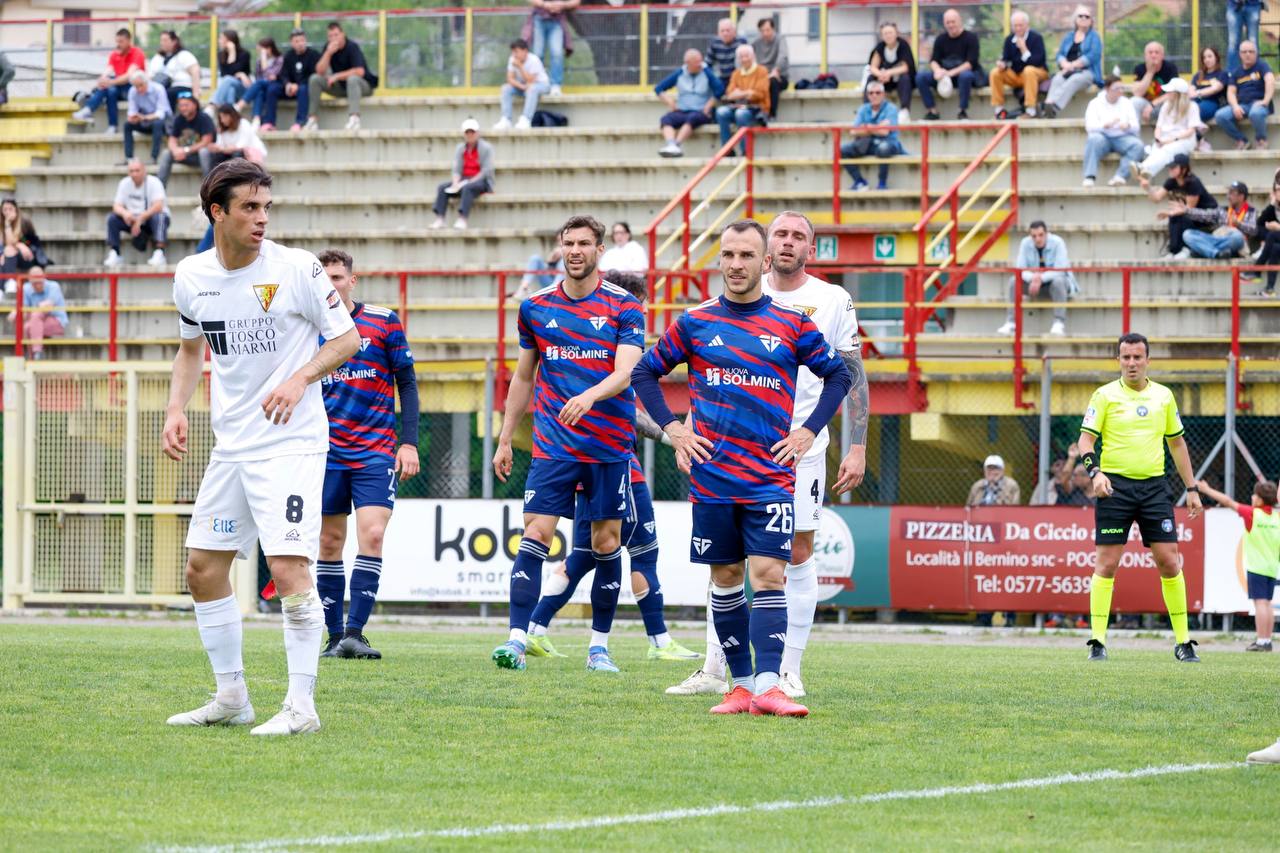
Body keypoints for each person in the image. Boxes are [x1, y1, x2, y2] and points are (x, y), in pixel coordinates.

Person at [162, 159, 360, 735]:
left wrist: (299, 379)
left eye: (266, 207)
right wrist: (176, 408)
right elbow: (191, 350)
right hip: (232, 446)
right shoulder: (191, 276)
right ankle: (231, 697)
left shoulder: (296, 268)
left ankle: (302, 707)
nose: (261, 218)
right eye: (249, 207)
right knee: (203, 569)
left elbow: (347, 339)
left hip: (291, 443)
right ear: (216, 212)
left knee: (289, 567)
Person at [633, 219, 852, 717]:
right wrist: (674, 430)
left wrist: (808, 431)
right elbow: (645, 371)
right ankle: (741, 687)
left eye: (747, 255)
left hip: (770, 476)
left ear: (765, 261)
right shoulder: (695, 322)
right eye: (728, 255)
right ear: (720, 261)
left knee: (770, 574)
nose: (736, 265)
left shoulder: (792, 324)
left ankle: (772, 686)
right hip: (713, 476)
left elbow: (839, 374)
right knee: (727, 576)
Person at [489, 215, 646, 673]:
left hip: (607, 446)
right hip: (553, 447)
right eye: (569, 243)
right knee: (535, 534)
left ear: (600, 250)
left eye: (584, 243)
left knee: (606, 542)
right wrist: (504, 438)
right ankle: (516, 640)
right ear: (561, 248)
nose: (575, 251)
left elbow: (627, 372)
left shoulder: (624, 306)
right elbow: (523, 377)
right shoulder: (535, 307)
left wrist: (589, 395)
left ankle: (599, 648)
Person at [524, 272, 700, 663]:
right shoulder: (618, 346)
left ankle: (534, 628)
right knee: (643, 550)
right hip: (616, 465)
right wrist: (675, 437)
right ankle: (658, 641)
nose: (645, 313)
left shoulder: (604, 345)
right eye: (643, 305)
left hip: (588, 462)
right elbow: (632, 414)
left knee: (586, 554)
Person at [315, 249, 419, 661]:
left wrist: (408, 442)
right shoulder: (307, 326)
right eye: (324, 278)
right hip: (324, 453)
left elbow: (407, 383)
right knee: (328, 542)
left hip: (374, 451)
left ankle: (355, 634)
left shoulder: (382, 321)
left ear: (352, 281)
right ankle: (333, 637)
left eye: (338, 277)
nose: (331, 285)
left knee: (372, 534)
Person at [1077, 332, 1203, 663]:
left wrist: (1192, 489)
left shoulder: (1164, 396)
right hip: (1114, 488)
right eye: (1126, 357)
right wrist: (1095, 473)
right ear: (1118, 360)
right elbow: (1085, 442)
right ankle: (1097, 641)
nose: (1131, 363)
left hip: (1154, 489)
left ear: (1148, 360)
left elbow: (1177, 443)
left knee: (1169, 561)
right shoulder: (1104, 395)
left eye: (1137, 357)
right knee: (1106, 563)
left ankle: (1183, 642)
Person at [1196, 479, 1277, 651]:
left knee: (1260, 603)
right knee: (1267, 603)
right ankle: (1267, 640)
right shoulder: (1276, 517)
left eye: (1255, 495)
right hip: (1271, 567)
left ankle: (1261, 641)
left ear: (1260, 499)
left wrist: (1206, 489)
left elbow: (1227, 501)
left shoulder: (1252, 514)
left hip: (1257, 566)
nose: (1252, 497)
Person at [998, 220, 1076, 336]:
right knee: (1014, 281)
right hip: (1034, 285)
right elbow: (1020, 269)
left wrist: (1041, 278)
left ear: (1046, 233)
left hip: (1055, 284)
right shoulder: (1025, 243)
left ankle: (1059, 322)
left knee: (1058, 281)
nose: (1037, 239)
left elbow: (1060, 270)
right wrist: (1033, 278)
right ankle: (1011, 322)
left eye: (1040, 235)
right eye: (1034, 236)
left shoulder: (1058, 242)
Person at [1139, 153, 1219, 260]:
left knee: (1181, 217)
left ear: (1184, 169)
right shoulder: (1172, 181)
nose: (1170, 170)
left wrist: (1168, 213)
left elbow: (1189, 210)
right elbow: (1157, 198)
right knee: (1175, 217)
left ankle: (1186, 249)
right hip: (1188, 214)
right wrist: (1148, 188)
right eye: (1170, 167)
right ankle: (1174, 251)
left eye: (1174, 167)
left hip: (1205, 219)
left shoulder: (1193, 182)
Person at [306, 21, 377, 132]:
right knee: (315, 79)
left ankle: (354, 119)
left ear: (343, 34)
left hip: (362, 86)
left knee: (352, 79)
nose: (334, 38)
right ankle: (312, 120)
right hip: (342, 88)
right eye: (330, 36)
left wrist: (337, 76)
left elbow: (360, 71)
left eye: (336, 35)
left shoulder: (352, 47)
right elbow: (319, 71)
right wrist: (328, 53)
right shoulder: (328, 47)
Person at [73, 28, 147, 133]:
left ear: (129, 41)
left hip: (133, 89)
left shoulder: (137, 53)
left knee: (111, 86)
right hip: (118, 88)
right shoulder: (114, 54)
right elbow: (107, 71)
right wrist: (101, 81)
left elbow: (129, 76)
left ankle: (89, 110)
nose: (118, 44)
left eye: (121, 42)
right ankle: (109, 124)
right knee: (110, 90)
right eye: (117, 41)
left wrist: (110, 82)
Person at [655, 48, 724, 158]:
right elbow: (659, 88)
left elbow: (720, 90)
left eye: (700, 61)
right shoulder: (680, 73)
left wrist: (709, 105)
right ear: (687, 63)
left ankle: (677, 145)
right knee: (666, 119)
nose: (699, 64)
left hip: (700, 112)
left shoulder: (707, 72)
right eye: (696, 62)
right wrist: (669, 101)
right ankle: (671, 144)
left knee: (692, 118)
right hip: (682, 110)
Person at [429, 119, 494, 230]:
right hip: (464, 179)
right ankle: (440, 218)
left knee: (467, 188)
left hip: (481, 181)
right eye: (467, 132)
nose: (470, 135)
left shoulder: (486, 148)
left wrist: (469, 182)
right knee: (442, 188)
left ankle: (462, 218)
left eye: (472, 132)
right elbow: (457, 169)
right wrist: (455, 183)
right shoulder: (460, 148)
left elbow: (486, 171)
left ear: (477, 133)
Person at [918, 9, 982, 120]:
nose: (951, 25)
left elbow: (970, 63)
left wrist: (950, 73)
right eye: (948, 22)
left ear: (960, 21)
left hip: (963, 75)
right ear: (944, 24)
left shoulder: (971, 38)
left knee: (966, 76)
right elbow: (933, 60)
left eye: (953, 22)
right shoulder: (940, 39)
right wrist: (937, 71)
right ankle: (932, 111)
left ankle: (962, 111)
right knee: (921, 77)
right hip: (944, 77)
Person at [840, 80, 905, 191]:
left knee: (883, 149)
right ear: (868, 95)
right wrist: (876, 127)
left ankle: (882, 183)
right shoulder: (863, 108)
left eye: (878, 92)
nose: (874, 95)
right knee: (842, 150)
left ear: (883, 94)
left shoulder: (891, 108)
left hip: (889, 143)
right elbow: (854, 131)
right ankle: (860, 182)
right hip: (867, 143)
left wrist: (866, 127)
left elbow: (885, 132)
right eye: (871, 93)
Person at [105, 158, 169, 267]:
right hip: (131, 220)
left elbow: (158, 206)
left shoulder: (154, 182)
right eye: (131, 171)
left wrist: (140, 219)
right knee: (112, 218)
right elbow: (116, 206)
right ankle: (115, 252)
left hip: (149, 220)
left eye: (137, 170)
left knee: (161, 217)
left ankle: (160, 252)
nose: (134, 174)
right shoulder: (124, 183)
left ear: (144, 171)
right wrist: (125, 214)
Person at [1082, 76, 1143, 188]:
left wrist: (1127, 126)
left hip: (1122, 137)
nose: (1120, 91)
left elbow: (1136, 126)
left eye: (1122, 88)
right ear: (1107, 89)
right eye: (1116, 88)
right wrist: (1104, 126)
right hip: (1103, 137)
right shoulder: (1095, 103)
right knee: (1093, 139)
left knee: (1138, 145)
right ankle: (1089, 176)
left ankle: (1120, 176)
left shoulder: (1127, 103)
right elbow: (1089, 126)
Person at [1137, 78, 1203, 180]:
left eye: (1170, 91)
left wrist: (1171, 140)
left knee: (1167, 149)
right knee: (1156, 149)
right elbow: (1159, 127)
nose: (1167, 93)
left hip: (1185, 140)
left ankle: (1142, 167)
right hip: (1165, 138)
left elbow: (1191, 131)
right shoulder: (1166, 106)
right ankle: (1147, 172)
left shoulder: (1192, 106)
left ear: (1177, 94)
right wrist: (1158, 138)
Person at [1043, 6, 1101, 118]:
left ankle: (1053, 107)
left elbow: (1093, 55)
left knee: (1074, 79)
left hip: (1086, 73)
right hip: (1068, 70)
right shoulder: (1069, 36)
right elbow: (1059, 54)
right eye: (1080, 16)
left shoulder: (1094, 37)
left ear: (1091, 21)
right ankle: (1048, 105)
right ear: (1075, 19)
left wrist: (1073, 65)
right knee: (1057, 79)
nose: (1084, 18)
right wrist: (1064, 63)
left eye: (1087, 16)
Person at [989, 11, 1048, 119]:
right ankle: (999, 110)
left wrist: (1024, 50)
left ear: (1027, 25)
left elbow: (1038, 61)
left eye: (1020, 25)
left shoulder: (1036, 38)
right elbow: (1006, 58)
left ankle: (1030, 110)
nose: (1018, 28)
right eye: (1015, 26)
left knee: (1028, 70)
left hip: (1037, 72)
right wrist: (1002, 64)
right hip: (1017, 75)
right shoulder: (1009, 40)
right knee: (995, 72)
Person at [1216, 41, 1274, 150]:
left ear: (1256, 53)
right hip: (1243, 106)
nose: (1248, 54)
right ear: (1240, 54)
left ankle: (1261, 140)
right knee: (1220, 115)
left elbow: (1270, 81)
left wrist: (1265, 101)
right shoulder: (1236, 72)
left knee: (1255, 113)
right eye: (1244, 52)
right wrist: (1235, 106)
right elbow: (1231, 92)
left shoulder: (1262, 66)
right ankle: (1242, 140)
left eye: (1251, 52)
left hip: (1259, 104)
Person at [715, 44, 770, 156]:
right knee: (721, 112)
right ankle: (727, 149)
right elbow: (730, 94)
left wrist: (740, 93)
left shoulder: (762, 71)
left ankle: (745, 151)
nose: (744, 59)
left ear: (753, 56)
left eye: (747, 56)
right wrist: (747, 92)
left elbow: (760, 94)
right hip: (739, 106)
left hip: (757, 108)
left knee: (741, 114)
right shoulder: (736, 74)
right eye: (741, 57)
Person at [1180, 180, 1256, 259]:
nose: (1228, 196)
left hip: (1234, 243)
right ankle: (1217, 253)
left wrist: (1238, 224)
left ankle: (1205, 250)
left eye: (1232, 193)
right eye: (1228, 193)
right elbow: (1205, 214)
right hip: (1217, 238)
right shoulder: (1223, 210)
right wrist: (1187, 210)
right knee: (1187, 234)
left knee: (1238, 237)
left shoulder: (1250, 211)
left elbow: (1253, 230)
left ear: (1241, 196)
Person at [157, 92, 215, 187]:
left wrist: (185, 150)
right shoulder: (178, 119)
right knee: (166, 153)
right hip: (183, 155)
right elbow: (172, 140)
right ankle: (159, 189)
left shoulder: (204, 118)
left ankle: (209, 188)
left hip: (200, 157)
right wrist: (176, 151)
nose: (183, 108)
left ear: (195, 105)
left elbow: (206, 141)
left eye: (186, 105)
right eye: (181, 105)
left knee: (204, 152)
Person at [9, 266, 66, 359]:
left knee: (34, 319)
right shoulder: (26, 288)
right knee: (27, 326)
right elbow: (23, 310)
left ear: (44, 278)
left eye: (40, 282)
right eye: (35, 283)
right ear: (30, 280)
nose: (38, 285)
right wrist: (16, 313)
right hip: (35, 323)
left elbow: (47, 306)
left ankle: (35, 354)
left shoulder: (53, 286)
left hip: (56, 322)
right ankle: (36, 355)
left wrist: (27, 311)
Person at [494, 38, 550, 131]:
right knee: (505, 88)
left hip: (541, 85)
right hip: (524, 87)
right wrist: (522, 86)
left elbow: (530, 80)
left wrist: (520, 66)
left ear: (525, 51)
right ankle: (506, 119)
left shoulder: (534, 60)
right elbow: (510, 79)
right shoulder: (512, 59)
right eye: (513, 52)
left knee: (532, 88)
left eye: (517, 51)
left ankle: (526, 119)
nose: (514, 55)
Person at [526, 0, 577, 97]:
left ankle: (555, 85)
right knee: (538, 54)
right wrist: (545, 5)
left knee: (557, 54)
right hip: (539, 18)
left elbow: (576, 2)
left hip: (557, 20)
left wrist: (562, 5)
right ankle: (539, 83)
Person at [866, 22, 915, 117]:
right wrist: (881, 74)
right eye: (885, 33)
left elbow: (905, 67)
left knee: (905, 78)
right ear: (882, 36)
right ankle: (868, 109)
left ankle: (904, 111)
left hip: (899, 80)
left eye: (890, 33)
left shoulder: (903, 45)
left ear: (896, 33)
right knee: (871, 79)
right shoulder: (880, 47)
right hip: (884, 80)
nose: (888, 36)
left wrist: (888, 73)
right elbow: (873, 67)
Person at [122, 71, 170, 164]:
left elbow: (161, 113)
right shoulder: (132, 91)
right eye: (136, 86)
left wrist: (144, 117)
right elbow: (132, 110)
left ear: (147, 81)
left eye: (141, 85)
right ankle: (129, 158)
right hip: (144, 121)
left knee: (158, 123)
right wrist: (132, 117)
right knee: (127, 125)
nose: (139, 89)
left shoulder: (158, 89)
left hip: (162, 122)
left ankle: (154, 157)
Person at [237, 38, 284, 131]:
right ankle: (256, 119)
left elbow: (270, 76)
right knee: (259, 91)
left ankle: (239, 105)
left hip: (276, 86)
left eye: (261, 50)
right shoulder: (259, 61)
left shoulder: (279, 59)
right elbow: (259, 76)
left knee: (260, 83)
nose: (259, 53)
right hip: (263, 86)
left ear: (269, 49)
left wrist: (264, 59)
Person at [148, 30, 200, 112]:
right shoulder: (158, 58)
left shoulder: (184, 55)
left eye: (165, 40)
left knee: (169, 94)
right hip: (162, 88)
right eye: (161, 40)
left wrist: (195, 94)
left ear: (174, 41)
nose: (162, 43)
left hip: (183, 87)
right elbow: (150, 75)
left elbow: (195, 71)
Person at [281, 29, 320, 133]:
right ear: (292, 43)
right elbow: (283, 74)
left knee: (303, 89)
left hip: (306, 88)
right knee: (272, 89)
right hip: (291, 89)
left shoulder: (313, 54)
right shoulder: (288, 56)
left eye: (302, 40)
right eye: (297, 41)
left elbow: (314, 75)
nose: (300, 44)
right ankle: (268, 122)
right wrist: (288, 84)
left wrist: (298, 85)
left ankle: (300, 122)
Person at [1130, 41, 1178, 124]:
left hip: (1163, 103)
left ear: (1162, 56)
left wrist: (1152, 104)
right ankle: (1133, 130)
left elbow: (1173, 94)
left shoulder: (1170, 68)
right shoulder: (1139, 68)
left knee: (1171, 104)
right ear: (1145, 56)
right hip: (1145, 104)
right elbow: (1137, 93)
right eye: (1150, 52)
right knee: (1134, 101)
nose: (1153, 55)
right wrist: (1150, 72)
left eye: (1156, 52)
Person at [753, 16, 789, 119]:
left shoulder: (780, 39)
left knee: (772, 82)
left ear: (773, 29)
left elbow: (783, 56)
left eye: (767, 30)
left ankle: (771, 114)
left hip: (778, 76)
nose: (765, 33)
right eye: (762, 31)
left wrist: (776, 69)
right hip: (762, 75)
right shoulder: (756, 42)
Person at [211, 104, 267, 169]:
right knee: (217, 156)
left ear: (232, 115)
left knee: (237, 154)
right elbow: (220, 145)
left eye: (225, 116)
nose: (222, 120)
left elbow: (241, 146)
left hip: (249, 154)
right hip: (230, 154)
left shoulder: (244, 124)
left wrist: (224, 149)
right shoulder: (222, 129)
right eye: (221, 117)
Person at [210, 29, 252, 109]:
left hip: (242, 88)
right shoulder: (221, 55)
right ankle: (230, 112)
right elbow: (225, 73)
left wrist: (232, 52)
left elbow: (231, 73)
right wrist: (240, 73)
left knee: (228, 80)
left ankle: (213, 104)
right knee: (230, 89)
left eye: (221, 38)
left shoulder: (244, 54)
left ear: (230, 41)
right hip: (230, 87)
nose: (219, 41)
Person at [1, 198, 45, 275]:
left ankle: (9, 281)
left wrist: (20, 244)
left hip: (27, 256)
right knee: (6, 252)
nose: (8, 212)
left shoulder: (24, 222)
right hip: (7, 255)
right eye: (5, 209)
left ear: (16, 209)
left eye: (10, 209)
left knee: (9, 250)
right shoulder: (1, 223)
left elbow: (28, 243)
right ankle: (7, 281)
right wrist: (7, 224)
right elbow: (3, 245)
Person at [1191, 47, 1229, 127]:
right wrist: (1192, 93)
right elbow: (1191, 89)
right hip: (1197, 101)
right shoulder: (1199, 75)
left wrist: (1198, 93)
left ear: (1216, 57)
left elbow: (1215, 89)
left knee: (1195, 110)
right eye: (1204, 57)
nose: (1207, 60)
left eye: (1210, 56)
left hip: (1212, 102)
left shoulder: (1222, 74)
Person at [706, 17, 747, 90]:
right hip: (721, 77)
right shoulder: (714, 43)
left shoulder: (741, 42)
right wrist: (712, 78)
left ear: (734, 32)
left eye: (728, 30)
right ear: (718, 33)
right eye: (722, 31)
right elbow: (708, 63)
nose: (725, 33)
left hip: (739, 77)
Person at [1255, 181, 1280, 296]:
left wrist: (1278, 227)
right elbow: (1260, 223)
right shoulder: (1275, 208)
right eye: (1277, 190)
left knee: (1272, 235)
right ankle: (1270, 288)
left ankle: (1257, 270)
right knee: (1275, 248)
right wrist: (1271, 204)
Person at [1227, 0, 1263, 72]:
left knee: (1253, 42)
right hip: (1234, 5)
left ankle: (1255, 72)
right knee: (1233, 43)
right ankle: (1232, 74)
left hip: (1253, 5)